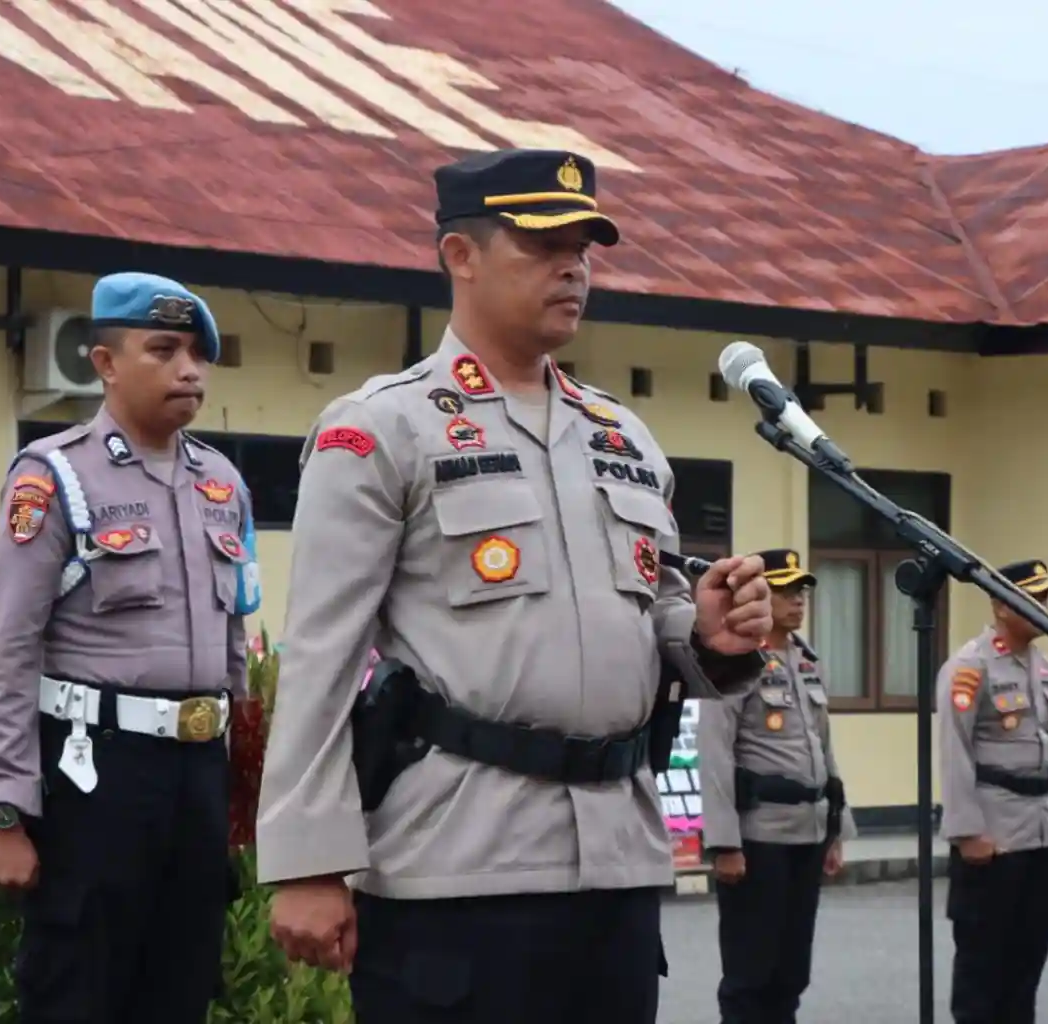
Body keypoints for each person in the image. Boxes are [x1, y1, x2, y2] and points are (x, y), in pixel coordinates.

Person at [255, 148, 776, 1024]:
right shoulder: (384, 427)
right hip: (456, 863)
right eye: (543, 246)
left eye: (585, 248)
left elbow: (657, 618)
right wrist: (308, 861)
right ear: (460, 256)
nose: (573, 267)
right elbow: (321, 655)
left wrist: (711, 637)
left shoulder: (624, 437)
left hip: (615, 860)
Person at [0, 271, 260, 1024]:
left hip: (197, 777)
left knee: (182, 986)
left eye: (196, 353)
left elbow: (236, 646)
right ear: (104, 362)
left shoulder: (222, 484)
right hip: (94, 776)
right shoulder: (55, 477)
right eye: (163, 350)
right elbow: (10, 645)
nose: (188, 369)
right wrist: (5, 810)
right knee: (78, 989)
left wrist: (244, 791)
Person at [698, 547, 856, 1024]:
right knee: (751, 973)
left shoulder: (806, 660)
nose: (797, 601)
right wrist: (724, 843)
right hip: (758, 837)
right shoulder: (734, 658)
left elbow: (823, 749)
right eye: (784, 591)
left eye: (800, 590)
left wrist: (835, 830)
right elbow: (715, 750)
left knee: (791, 972)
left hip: (806, 833)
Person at [937, 558, 1048, 1024]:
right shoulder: (970, 666)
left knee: (1026, 968)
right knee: (984, 973)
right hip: (994, 837)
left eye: (1046, 596)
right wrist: (966, 832)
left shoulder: (1045, 668)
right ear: (999, 603)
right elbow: (954, 751)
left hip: (1041, 835)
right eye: (1032, 596)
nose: (1043, 605)